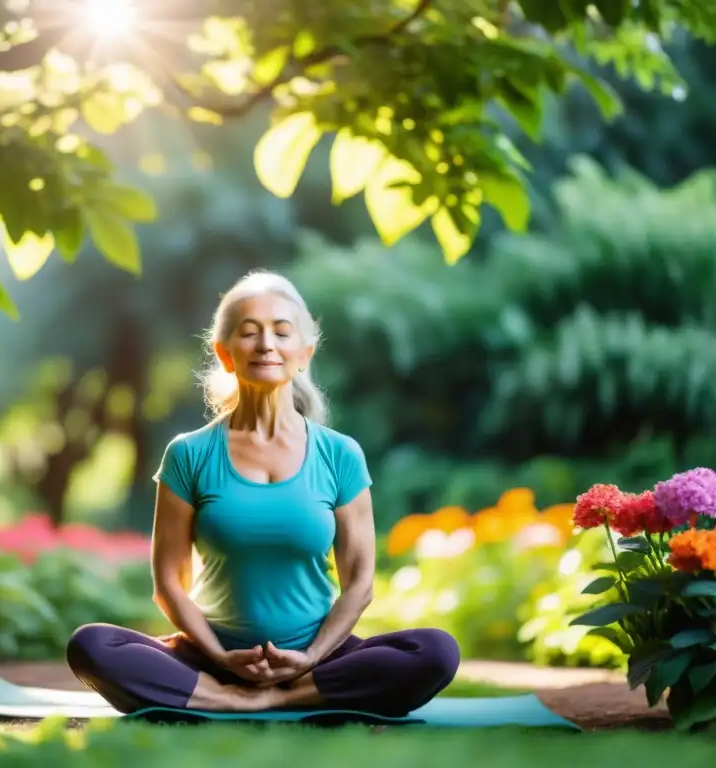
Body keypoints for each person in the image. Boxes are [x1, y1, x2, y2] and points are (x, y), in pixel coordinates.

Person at [66, 270, 460, 715]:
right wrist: (218, 656)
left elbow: (360, 584)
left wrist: (310, 658)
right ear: (225, 353)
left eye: (282, 332)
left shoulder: (340, 455)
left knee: (436, 651)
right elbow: (168, 586)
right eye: (249, 332)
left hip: (317, 657)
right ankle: (226, 694)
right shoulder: (188, 454)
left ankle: (284, 693)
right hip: (211, 656)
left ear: (304, 353)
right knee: (93, 645)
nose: (266, 344)